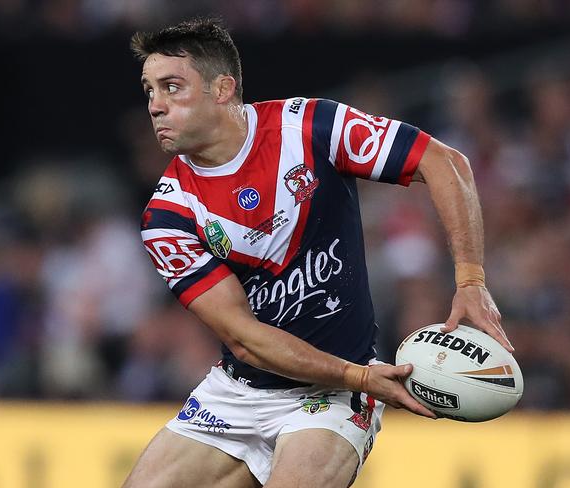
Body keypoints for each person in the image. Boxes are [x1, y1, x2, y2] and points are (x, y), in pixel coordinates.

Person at [124, 17, 513, 488]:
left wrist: (471, 280)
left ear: (222, 88)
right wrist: (363, 378)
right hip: (240, 392)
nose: (156, 106)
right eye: (149, 91)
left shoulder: (309, 127)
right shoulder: (167, 215)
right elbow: (246, 338)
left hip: (335, 394)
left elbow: (444, 162)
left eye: (171, 87)